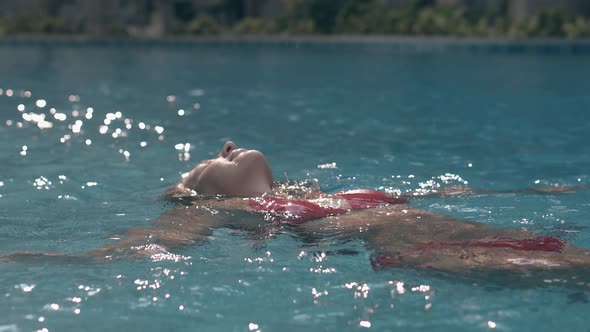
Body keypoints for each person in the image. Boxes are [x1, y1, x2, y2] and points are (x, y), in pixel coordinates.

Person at [3, 141, 590, 278]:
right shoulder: (216, 209)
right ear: (202, 191)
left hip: (460, 229)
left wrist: (542, 195)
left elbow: (445, 196)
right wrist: (33, 255)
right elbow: (138, 247)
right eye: (211, 159)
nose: (229, 145)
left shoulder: (318, 192)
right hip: (421, 252)